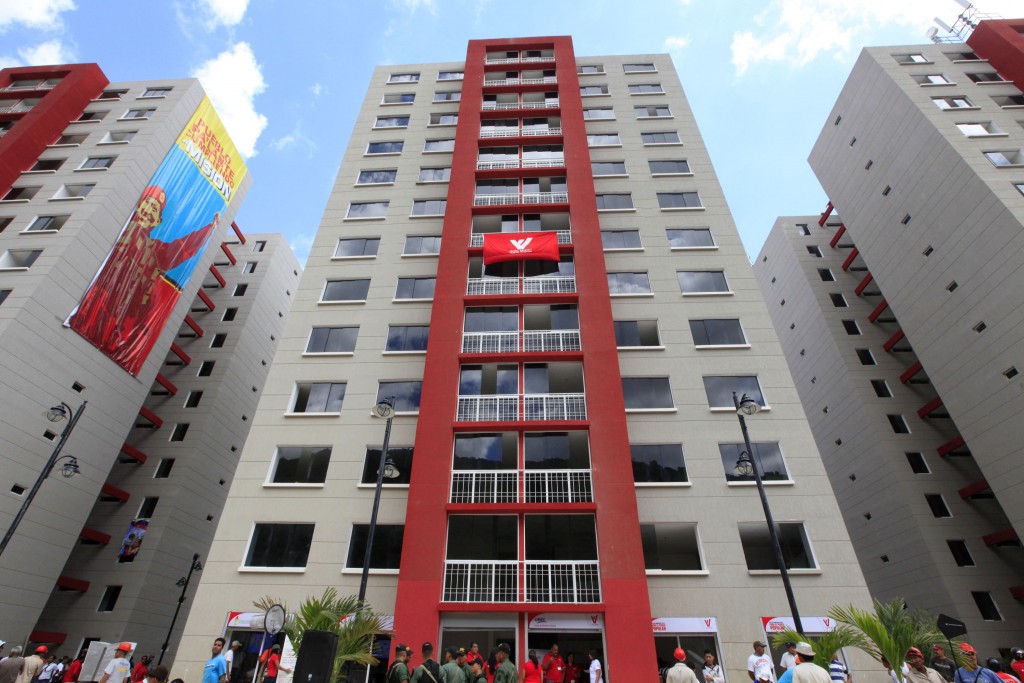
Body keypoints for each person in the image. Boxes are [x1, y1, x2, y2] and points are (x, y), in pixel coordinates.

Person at [67, 182, 221, 376]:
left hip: (121, 319)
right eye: (147, 204)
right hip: (92, 305)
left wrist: (208, 229)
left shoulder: (154, 251)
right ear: (138, 206)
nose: (148, 211)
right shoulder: (119, 229)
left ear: (157, 221)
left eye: (154, 209)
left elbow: (181, 248)